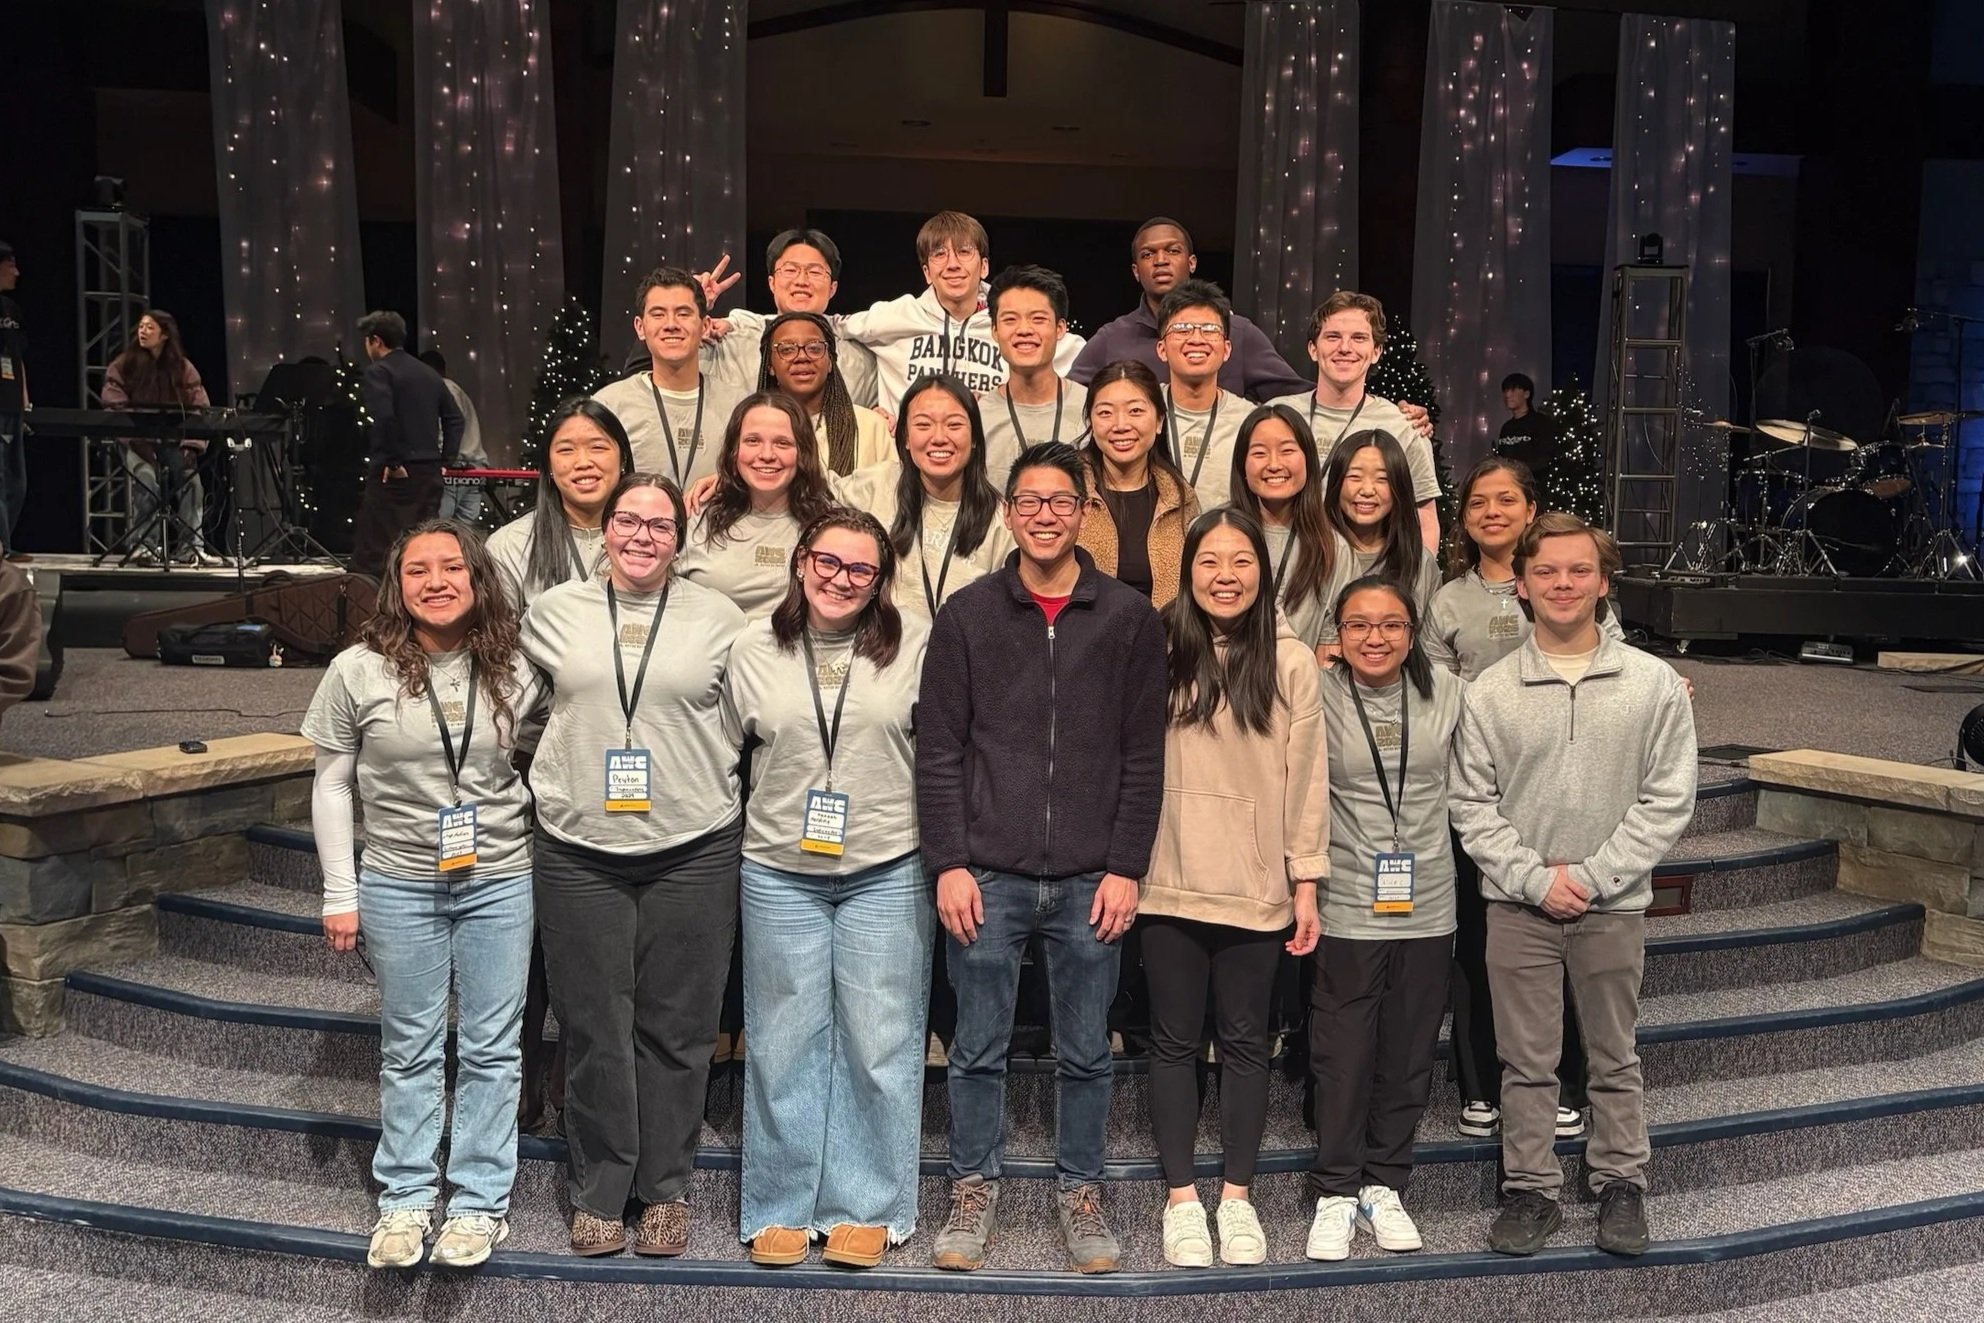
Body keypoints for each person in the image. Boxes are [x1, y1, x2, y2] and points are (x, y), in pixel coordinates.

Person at [919, 440, 1166, 1275]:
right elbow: (941, 750)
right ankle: (972, 1186)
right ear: (1011, 511)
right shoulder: (968, 614)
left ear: (1084, 509)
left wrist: (1127, 864)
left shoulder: (1129, 618)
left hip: (1094, 875)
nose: (1045, 515)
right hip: (987, 871)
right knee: (978, 1045)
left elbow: (1143, 755)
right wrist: (949, 860)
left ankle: (1081, 1191)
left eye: (1061, 501)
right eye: (1030, 501)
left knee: (1088, 1050)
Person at [1451, 512, 1697, 1259]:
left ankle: (1621, 1181)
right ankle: (1530, 1189)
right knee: (1527, 1061)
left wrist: (1591, 878)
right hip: (1519, 907)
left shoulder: (1653, 685)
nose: (1563, 584)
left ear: (1603, 581)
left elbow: (1669, 798)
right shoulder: (1489, 691)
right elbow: (1470, 803)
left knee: (1613, 1051)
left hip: (1612, 904)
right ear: (1521, 586)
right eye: (1548, 572)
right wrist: (1532, 878)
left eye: (1578, 570)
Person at [520, 473, 749, 1257]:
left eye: (658, 523)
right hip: (579, 847)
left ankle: (665, 1189)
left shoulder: (720, 618)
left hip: (693, 843)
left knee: (679, 1028)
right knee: (593, 1028)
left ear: (679, 535)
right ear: (605, 529)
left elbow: (758, 717)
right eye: (627, 521)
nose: (642, 536)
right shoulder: (553, 614)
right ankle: (601, 1188)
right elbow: (503, 705)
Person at [302, 518, 539, 1271]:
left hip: (500, 875)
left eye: (451, 568)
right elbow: (332, 784)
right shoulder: (356, 670)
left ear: (477, 577)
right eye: (417, 571)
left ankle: (478, 1203)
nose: (436, 582)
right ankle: (404, 1197)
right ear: (396, 587)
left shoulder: (518, 664)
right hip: (399, 880)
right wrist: (341, 890)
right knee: (409, 1045)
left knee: (493, 1048)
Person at [723, 509, 933, 1270]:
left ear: (880, 580)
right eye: (827, 562)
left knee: (879, 1039)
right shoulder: (751, 646)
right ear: (801, 561)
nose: (840, 579)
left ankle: (866, 1204)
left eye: (860, 569)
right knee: (782, 1039)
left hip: (887, 862)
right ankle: (781, 1204)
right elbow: (725, 752)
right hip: (779, 866)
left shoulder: (914, 642)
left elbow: (939, 750)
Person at [1142, 507, 1327, 1269]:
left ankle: (1238, 1195)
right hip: (1166, 881)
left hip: (1256, 886)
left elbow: (1306, 780)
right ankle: (1182, 1197)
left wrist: (1306, 880)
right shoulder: (1156, 646)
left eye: (1241, 561)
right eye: (1210, 561)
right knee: (1174, 1040)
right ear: (1187, 569)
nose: (1226, 575)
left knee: (1248, 1043)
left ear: (1263, 569)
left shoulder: (1290, 661)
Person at [1426, 457, 1608, 1145]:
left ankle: (1561, 1080)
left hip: (1558, 787)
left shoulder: (1559, 583)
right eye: (1479, 502)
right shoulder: (1448, 601)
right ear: (1464, 516)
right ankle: (1482, 1086)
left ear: (1531, 509)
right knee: (1479, 940)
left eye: (1507, 499)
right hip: (1475, 788)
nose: (1493, 511)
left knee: (1555, 936)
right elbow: (1438, 695)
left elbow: (1606, 667)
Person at [1304, 576, 1464, 1262]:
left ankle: (1385, 1180)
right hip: (1345, 900)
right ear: (1336, 634)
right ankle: (1338, 1185)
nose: (1376, 637)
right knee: (1343, 1051)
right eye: (1360, 625)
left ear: (1412, 630)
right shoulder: (1317, 693)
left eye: (1392, 624)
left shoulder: (1449, 692)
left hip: (1429, 900)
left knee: (1406, 1050)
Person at [838, 211, 1084, 408]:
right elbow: (825, 327)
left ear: (984, 266)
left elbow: (1086, 360)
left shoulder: (1010, 321)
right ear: (927, 272)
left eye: (964, 252)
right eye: (939, 254)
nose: (953, 264)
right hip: (913, 463)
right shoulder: (894, 316)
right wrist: (868, 414)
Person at [1268, 292, 1443, 552]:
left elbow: (1423, 521)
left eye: (1358, 338)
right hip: (1281, 579)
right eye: (1333, 336)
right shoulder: (1277, 414)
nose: (1345, 348)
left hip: (1363, 584)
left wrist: (1414, 588)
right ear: (1313, 349)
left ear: (1376, 352)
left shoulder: (1404, 426)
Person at [835, 374, 1015, 620]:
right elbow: (813, 492)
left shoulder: (1000, 522)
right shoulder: (878, 484)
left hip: (963, 654)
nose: (939, 437)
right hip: (884, 650)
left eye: (954, 425)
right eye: (923, 425)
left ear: (974, 438)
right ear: (906, 437)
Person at [1071, 218, 1310, 402]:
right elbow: (1067, 402)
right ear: (1136, 271)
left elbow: (1296, 399)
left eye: (1173, 251)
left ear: (1191, 262)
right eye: (1148, 254)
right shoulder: (1112, 338)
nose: (1161, 260)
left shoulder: (1237, 332)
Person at [675, 393, 838, 620]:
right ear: (735, 450)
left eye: (782, 443)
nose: (767, 455)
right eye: (753, 441)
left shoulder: (830, 521)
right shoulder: (696, 514)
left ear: (803, 452)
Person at [591, 267, 746, 489]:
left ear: (704, 326)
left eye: (683, 313)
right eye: (658, 314)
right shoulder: (609, 405)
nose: (671, 324)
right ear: (640, 327)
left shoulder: (738, 406)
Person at [700, 228, 881, 407]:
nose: (801, 281)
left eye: (815, 272)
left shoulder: (861, 359)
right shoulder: (730, 343)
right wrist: (694, 305)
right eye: (790, 270)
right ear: (772, 283)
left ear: (833, 288)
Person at [486, 397, 635, 608]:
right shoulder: (509, 545)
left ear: (624, 459)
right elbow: (498, 636)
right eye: (566, 450)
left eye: (598, 447)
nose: (583, 462)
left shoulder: (655, 538)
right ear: (549, 467)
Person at [1076, 361, 1202, 607]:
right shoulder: (1068, 494)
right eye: (1105, 413)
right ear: (1090, 421)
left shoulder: (1181, 498)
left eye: (1135, 411)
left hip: (1164, 641)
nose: (1121, 425)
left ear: (1159, 421)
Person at [351, 311, 466, 577]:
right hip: (429, 473)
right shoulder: (428, 374)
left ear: (376, 341)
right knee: (421, 545)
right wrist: (445, 459)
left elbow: (385, 418)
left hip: (394, 474)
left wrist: (393, 462)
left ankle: (375, 614)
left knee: (376, 552)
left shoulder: (379, 372)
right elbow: (455, 419)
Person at [102, 310, 215, 564]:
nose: (142, 331)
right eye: (140, 326)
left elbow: (201, 407)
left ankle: (190, 549)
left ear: (164, 334)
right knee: (145, 480)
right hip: (138, 441)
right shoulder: (124, 364)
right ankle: (146, 546)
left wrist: (192, 445)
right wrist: (134, 439)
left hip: (175, 442)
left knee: (193, 484)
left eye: (149, 327)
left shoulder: (183, 368)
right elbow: (113, 402)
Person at [1227, 404, 1335, 655]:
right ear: (1242, 465)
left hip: (1299, 687)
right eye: (1259, 453)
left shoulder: (1333, 547)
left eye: (1287, 451)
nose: (1274, 464)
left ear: (1308, 458)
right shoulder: (1217, 533)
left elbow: (1329, 653)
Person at [1316, 431, 1439, 650]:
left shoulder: (1420, 563)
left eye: (1382, 479)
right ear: (1336, 483)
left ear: (1398, 488)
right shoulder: (1313, 553)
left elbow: (1430, 649)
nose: (1366, 490)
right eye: (1354, 477)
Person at [979, 264, 1089, 487]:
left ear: (1060, 329)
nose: (1024, 330)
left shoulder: (1091, 409)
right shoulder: (978, 416)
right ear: (994, 330)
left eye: (1038, 319)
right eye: (1010, 320)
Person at [1153, 279, 1252, 508]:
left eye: (1209, 330)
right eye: (1182, 329)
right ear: (1161, 349)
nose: (1196, 340)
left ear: (1226, 349)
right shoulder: (1139, 408)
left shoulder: (1249, 421)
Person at [754, 311, 892, 474]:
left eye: (814, 348)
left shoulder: (871, 426)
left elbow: (892, 493)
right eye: (787, 349)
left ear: (830, 363)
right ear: (770, 365)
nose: (802, 357)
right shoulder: (751, 428)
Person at [420, 349, 491, 525]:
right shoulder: (455, 390)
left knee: (438, 530)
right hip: (471, 469)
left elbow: (447, 428)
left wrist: (442, 462)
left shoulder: (443, 390)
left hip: (455, 469)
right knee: (462, 536)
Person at [1494, 372, 1561, 502]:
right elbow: (1501, 458)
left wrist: (1520, 471)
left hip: (1536, 491)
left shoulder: (1541, 423)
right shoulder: (1507, 428)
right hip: (1509, 490)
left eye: (1513, 390)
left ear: (1526, 394)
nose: (1508, 395)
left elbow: (1547, 458)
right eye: (1505, 391)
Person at [0, 241, 27, 558]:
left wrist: (24, 396)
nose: (17, 273)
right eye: (11, 266)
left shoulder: (12, 310)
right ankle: (3, 548)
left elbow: (17, 357)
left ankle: (7, 543)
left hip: (12, 403)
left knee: (17, 482)